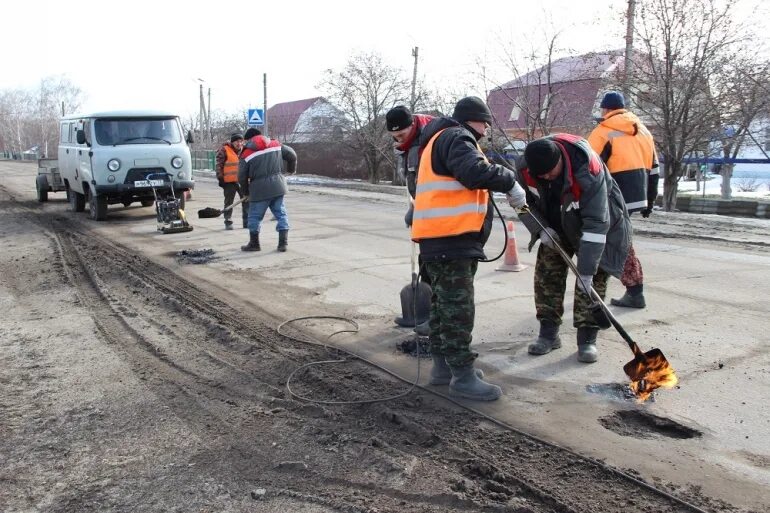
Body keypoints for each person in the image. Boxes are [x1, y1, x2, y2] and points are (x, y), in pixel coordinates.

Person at [411, 96, 527, 401]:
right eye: (484, 122)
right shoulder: (457, 137)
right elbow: (474, 172)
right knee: (457, 310)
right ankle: (462, 376)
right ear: (471, 120)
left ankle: (443, 369)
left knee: (442, 307)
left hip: (440, 239)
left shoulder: (438, 139)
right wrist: (510, 181)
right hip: (451, 239)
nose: (487, 128)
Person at [517, 135, 631, 363]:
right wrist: (540, 229)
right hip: (554, 225)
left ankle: (587, 339)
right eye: (542, 175)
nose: (547, 177)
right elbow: (520, 203)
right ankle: (548, 334)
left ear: (561, 158)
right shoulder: (524, 169)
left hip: (594, 225)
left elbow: (598, 223)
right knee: (546, 275)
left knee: (593, 279)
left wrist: (586, 271)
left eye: (551, 171)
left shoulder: (588, 170)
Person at [588, 91, 659, 308]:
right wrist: (650, 200)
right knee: (618, 241)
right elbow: (654, 169)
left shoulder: (603, 132)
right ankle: (630, 291)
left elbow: (588, 167)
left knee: (613, 244)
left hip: (611, 197)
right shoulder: (644, 131)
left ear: (606, 109)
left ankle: (633, 291)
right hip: (637, 197)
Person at [386, 106, 435, 334]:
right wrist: (415, 206)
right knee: (427, 261)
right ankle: (425, 315)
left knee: (436, 266)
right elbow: (413, 181)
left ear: (412, 126)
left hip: (440, 213)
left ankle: (434, 319)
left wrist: (419, 208)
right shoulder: (407, 146)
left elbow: (431, 181)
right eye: (394, 137)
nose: (398, 139)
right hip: (424, 209)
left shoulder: (428, 141)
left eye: (401, 135)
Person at [239, 128, 297, 252]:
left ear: (249, 139)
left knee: (255, 216)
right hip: (278, 186)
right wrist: (291, 170)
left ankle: (254, 244)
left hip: (259, 189)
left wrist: (246, 192)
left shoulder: (246, 153)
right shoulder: (275, 144)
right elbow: (292, 155)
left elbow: (241, 176)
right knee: (281, 214)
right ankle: (283, 244)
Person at [215, 133, 248, 230]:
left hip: (242, 181)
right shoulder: (224, 150)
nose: (239, 143)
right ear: (232, 142)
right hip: (229, 182)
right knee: (229, 202)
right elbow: (219, 165)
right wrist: (220, 178)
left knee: (246, 200)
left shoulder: (245, 150)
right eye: (237, 141)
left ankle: (247, 222)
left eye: (241, 141)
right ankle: (228, 221)